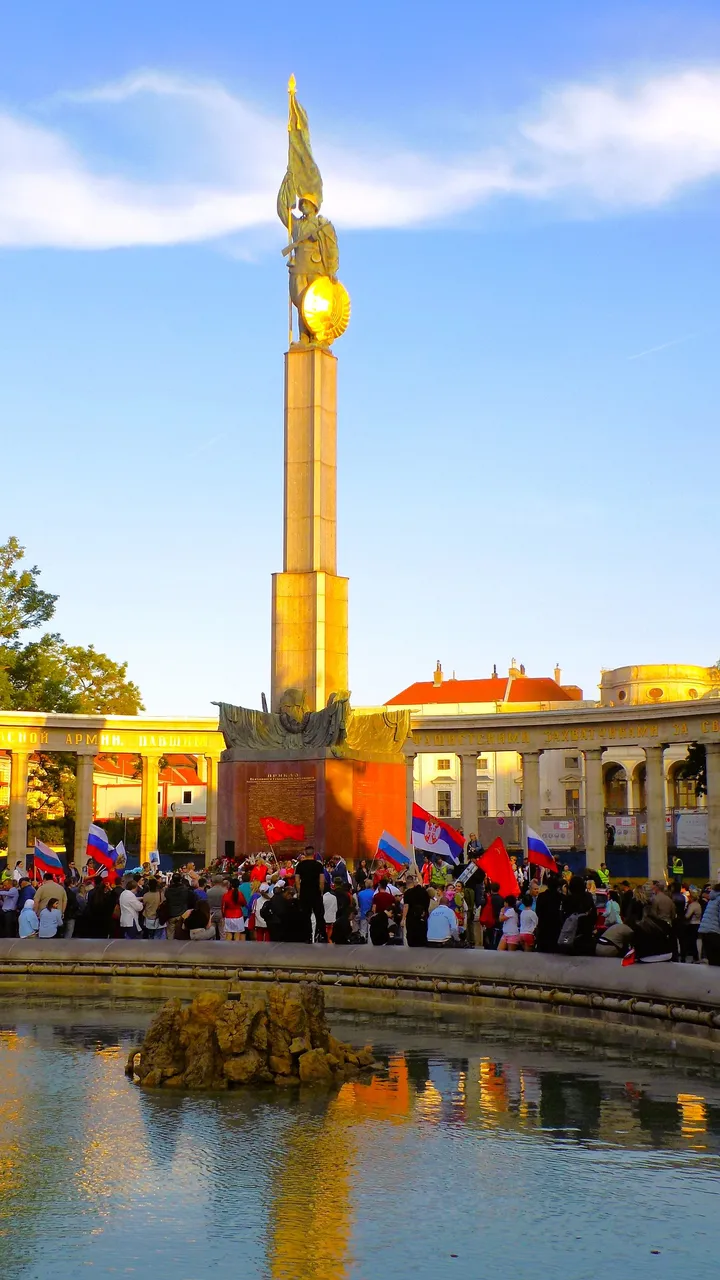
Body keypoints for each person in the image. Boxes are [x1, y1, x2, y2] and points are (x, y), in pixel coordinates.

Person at [557, 875, 597, 955]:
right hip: (586, 936)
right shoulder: (588, 897)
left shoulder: (568, 899)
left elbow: (562, 916)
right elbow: (594, 915)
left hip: (570, 937)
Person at [295, 847, 326, 943]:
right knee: (319, 915)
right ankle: (321, 935)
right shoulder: (319, 865)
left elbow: (297, 880)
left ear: (305, 853)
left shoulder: (300, 865)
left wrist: (299, 892)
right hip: (316, 892)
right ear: (314, 854)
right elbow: (321, 880)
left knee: (306, 915)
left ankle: (307, 937)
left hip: (304, 892)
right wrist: (321, 892)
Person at [402, 874, 430, 947]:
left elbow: (406, 906)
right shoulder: (425, 892)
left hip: (411, 918)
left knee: (412, 934)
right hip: (423, 917)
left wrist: (403, 919)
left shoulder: (407, 893)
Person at [164, 874, 193, 940]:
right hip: (182, 914)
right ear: (180, 880)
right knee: (182, 934)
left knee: (170, 934)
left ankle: (170, 948)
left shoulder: (168, 890)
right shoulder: (185, 889)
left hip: (171, 914)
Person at [698, 883, 720, 966]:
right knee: (717, 962)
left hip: (706, 932)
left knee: (712, 962)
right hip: (715, 932)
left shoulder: (713, 898)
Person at [681, 888, 702, 963]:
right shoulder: (698, 904)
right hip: (697, 923)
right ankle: (695, 956)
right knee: (693, 941)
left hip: (692, 925)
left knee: (690, 941)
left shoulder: (692, 905)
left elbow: (687, 916)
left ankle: (694, 957)